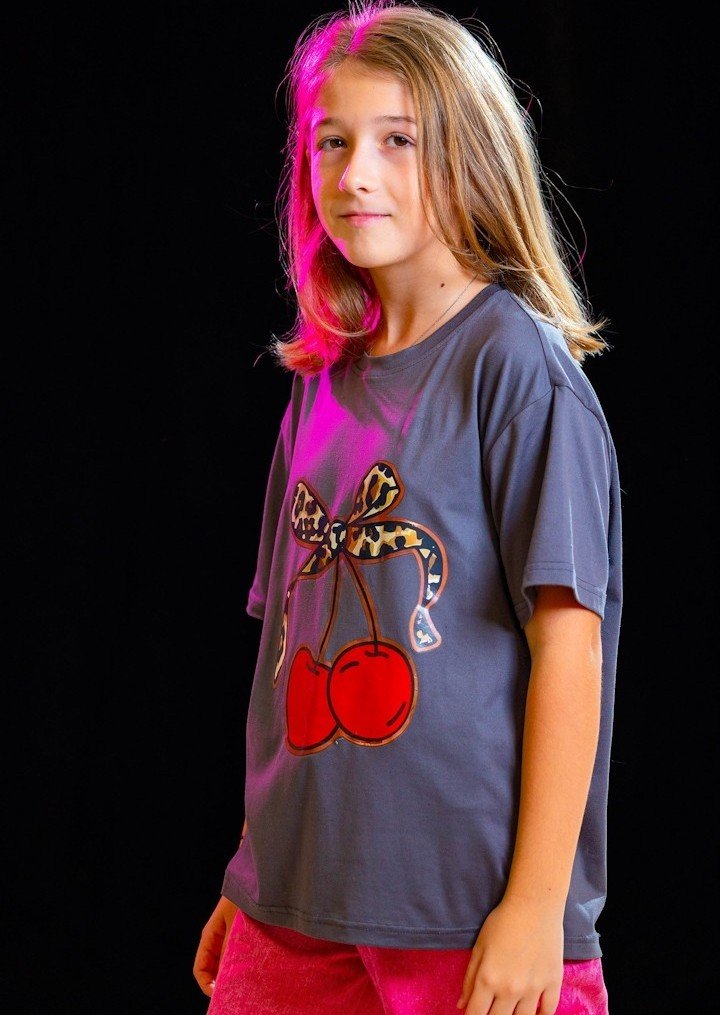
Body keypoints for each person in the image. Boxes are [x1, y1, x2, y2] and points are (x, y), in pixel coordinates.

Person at [192, 1, 622, 1012]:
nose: (355, 174)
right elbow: (286, 650)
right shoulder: (319, 380)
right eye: (332, 142)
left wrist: (535, 907)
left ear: (471, 155)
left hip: (467, 917)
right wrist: (251, 869)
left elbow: (570, 647)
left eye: (398, 140)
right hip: (295, 908)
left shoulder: (517, 370)